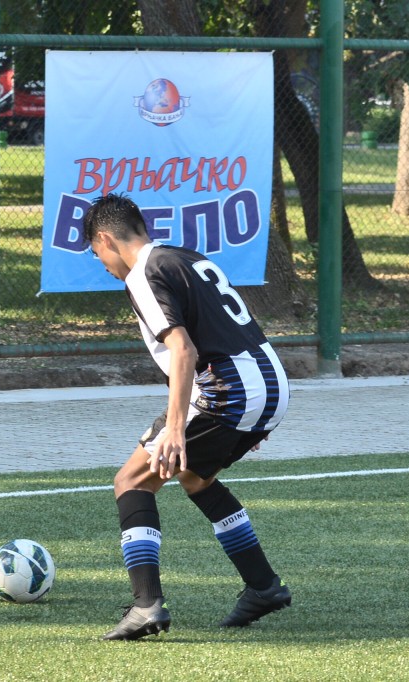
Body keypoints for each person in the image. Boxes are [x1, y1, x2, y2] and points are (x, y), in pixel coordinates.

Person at [81, 193, 292, 641]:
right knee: (196, 477)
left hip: (229, 391)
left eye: (96, 252)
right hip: (269, 383)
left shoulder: (143, 273)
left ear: (105, 239)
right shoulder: (187, 258)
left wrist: (175, 428)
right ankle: (263, 586)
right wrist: (258, 408)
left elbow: (183, 349)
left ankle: (146, 606)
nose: (101, 263)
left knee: (132, 482)